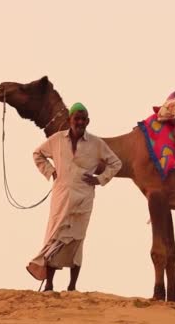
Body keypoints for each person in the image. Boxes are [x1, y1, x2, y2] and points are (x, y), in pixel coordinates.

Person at [26, 102, 122, 292]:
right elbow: (38, 154)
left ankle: (72, 286)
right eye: (76, 118)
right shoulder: (57, 140)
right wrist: (51, 171)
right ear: (70, 120)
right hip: (61, 195)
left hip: (84, 198)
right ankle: (50, 285)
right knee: (55, 237)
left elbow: (115, 163)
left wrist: (100, 179)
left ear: (88, 121)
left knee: (77, 240)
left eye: (83, 119)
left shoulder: (96, 143)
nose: (80, 122)